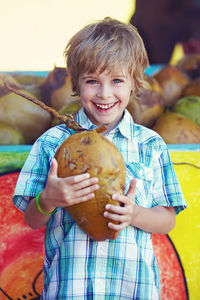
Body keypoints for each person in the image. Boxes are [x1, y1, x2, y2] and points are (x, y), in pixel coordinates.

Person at [13, 17, 187, 299]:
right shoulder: (51, 143)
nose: (105, 94)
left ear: (134, 83)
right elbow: (32, 219)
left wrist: (135, 214)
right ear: (77, 84)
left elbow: (167, 220)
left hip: (132, 289)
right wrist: (48, 200)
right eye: (92, 81)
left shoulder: (150, 144)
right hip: (71, 289)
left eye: (117, 80)